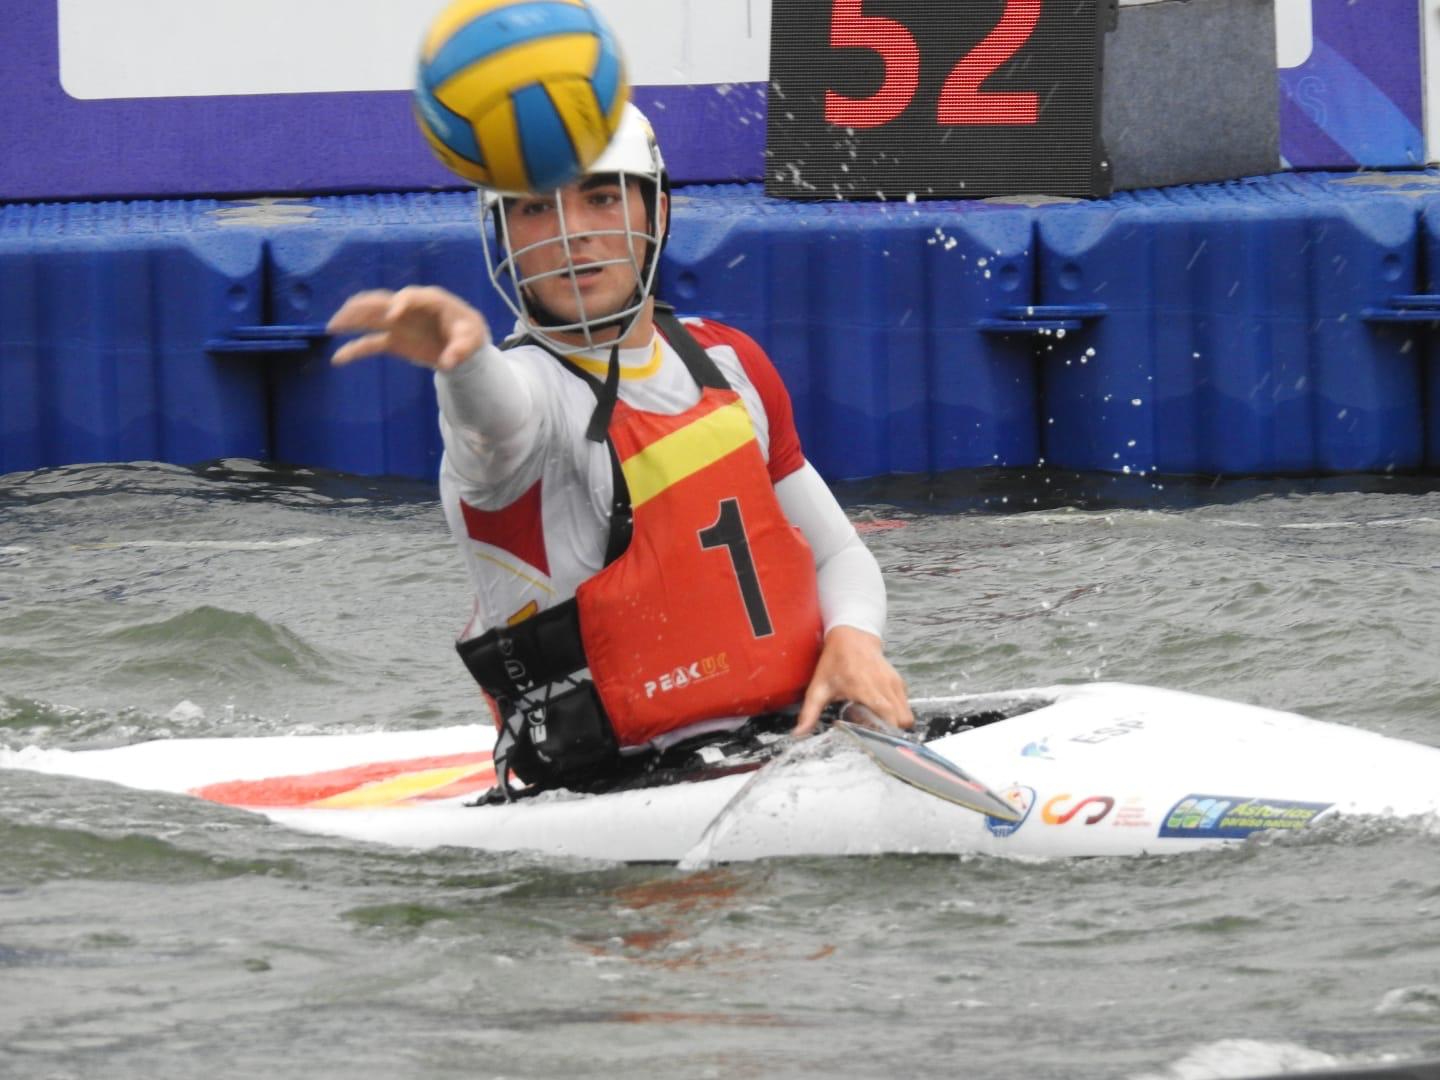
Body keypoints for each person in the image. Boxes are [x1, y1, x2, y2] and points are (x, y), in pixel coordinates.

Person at [327, 103, 911, 793]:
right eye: (535, 210)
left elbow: (840, 553)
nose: (571, 233)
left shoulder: (729, 362)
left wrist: (854, 637)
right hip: (611, 800)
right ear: (501, 232)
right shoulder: (523, 400)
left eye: (601, 198)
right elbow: (492, 421)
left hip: (794, 741)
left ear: (656, 214)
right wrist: (461, 361)